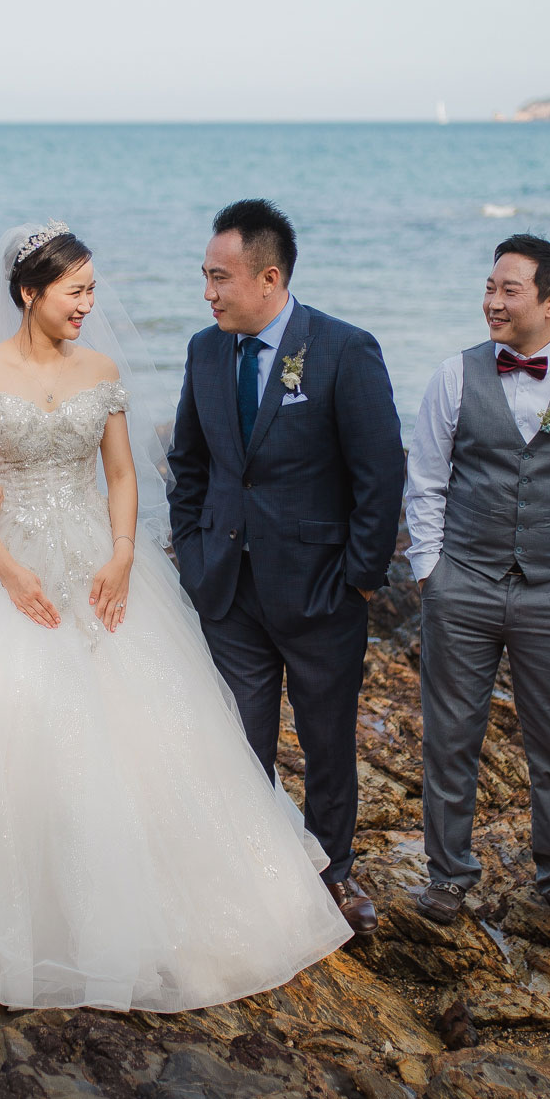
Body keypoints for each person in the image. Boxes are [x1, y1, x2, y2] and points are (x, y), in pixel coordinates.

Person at [0, 223, 352, 1011]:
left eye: (90, 289)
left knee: (145, 735)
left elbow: (120, 473)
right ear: (28, 294)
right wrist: (8, 570)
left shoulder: (102, 370)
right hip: (1, 570)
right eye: (73, 289)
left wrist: (120, 553)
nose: (87, 303)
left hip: (97, 567)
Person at [167, 199, 405, 935]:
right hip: (227, 588)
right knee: (238, 739)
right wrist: (195, 548)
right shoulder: (206, 350)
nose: (208, 293)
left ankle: (333, 869)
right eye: (205, 277)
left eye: (220, 277)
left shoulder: (343, 349)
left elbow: (380, 472)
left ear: (269, 277)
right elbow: (189, 462)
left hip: (322, 589)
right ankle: (247, 869)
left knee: (328, 740)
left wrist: (361, 576)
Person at [402, 235, 550, 936]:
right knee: (450, 735)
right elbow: (426, 480)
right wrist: (430, 571)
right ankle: (448, 875)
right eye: (489, 286)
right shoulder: (454, 374)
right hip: (462, 585)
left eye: (509, 290)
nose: (492, 301)